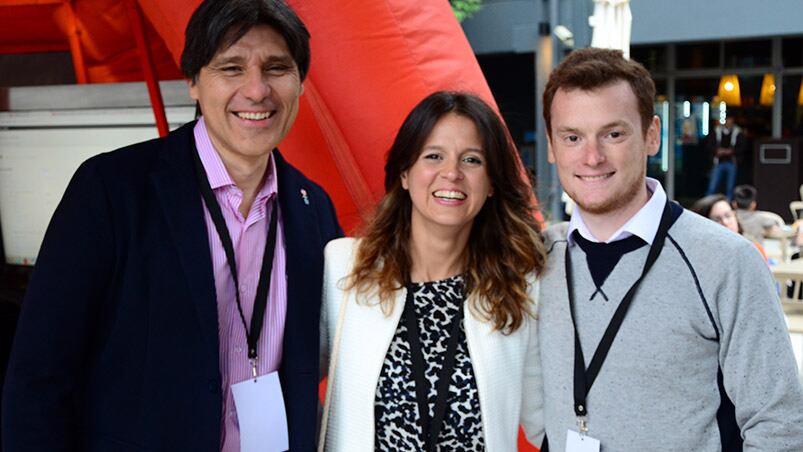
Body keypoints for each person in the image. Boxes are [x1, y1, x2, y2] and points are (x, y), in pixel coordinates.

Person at [2, 1, 342, 450]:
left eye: (277, 68)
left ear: (300, 82)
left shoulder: (312, 207)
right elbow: (40, 372)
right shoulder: (112, 189)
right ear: (194, 82)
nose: (257, 90)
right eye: (232, 68)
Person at [538, 47, 803, 452]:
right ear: (552, 146)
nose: (592, 157)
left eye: (614, 133)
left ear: (651, 135)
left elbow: (779, 425)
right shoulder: (536, 257)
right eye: (572, 137)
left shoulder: (726, 261)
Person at [319, 91, 547, 450]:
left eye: (472, 160)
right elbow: (291, 383)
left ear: (491, 184)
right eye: (434, 156)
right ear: (405, 173)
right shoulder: (343, 269)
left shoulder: (521, 285)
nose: (452, 173)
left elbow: (545, 420)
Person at [691, 193, 769, 261]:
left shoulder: (753, 249)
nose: (725, 223)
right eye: (716, 219)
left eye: (728, 216)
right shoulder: (696, 256)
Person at [705, 115, 746, 200]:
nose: (728, 122)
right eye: (727, 120)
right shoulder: (716, 131)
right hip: (718, 162)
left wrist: (731, 151)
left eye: (730, 120)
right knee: (712, 187)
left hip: (732, 162)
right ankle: (707, 205)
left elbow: (742, 147)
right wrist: (717, 151)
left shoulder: (738, 132)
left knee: (730, 187)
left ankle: (728, 205)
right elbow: (709, 145)